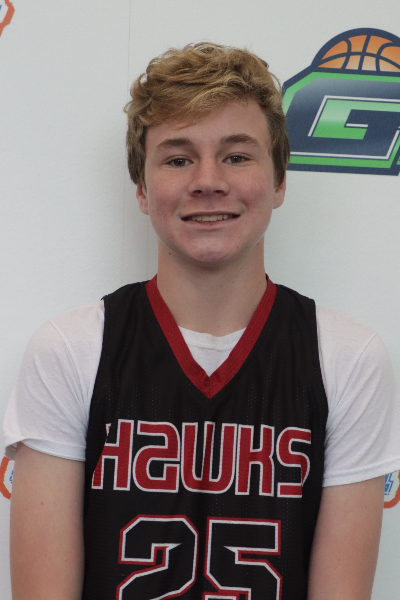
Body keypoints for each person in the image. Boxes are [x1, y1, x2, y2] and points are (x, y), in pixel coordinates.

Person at [4, 42, 400, 600]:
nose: (208, 180)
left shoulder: (347, 359)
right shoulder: (70, 351)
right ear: (142, 190)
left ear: (280, 181)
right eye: (178, 158)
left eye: (237, 156)